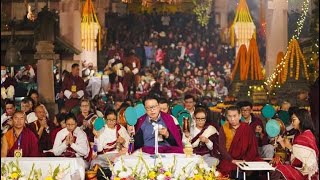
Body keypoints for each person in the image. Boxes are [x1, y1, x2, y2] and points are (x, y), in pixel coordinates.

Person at [272, 108, 319, 179]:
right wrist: (282, 142)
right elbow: (295, 156)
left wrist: (290, 147)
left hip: (306, 173)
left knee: (280, 170)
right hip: (299, 168)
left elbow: (302, 160)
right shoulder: (299, 134)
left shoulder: (307, 136)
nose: (292, 123)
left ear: (302, 120)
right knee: (276, 165)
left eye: (294, 120)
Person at [218, 106, 260, 177]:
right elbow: (222, 148)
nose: (232, 119)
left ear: (240, 116)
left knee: (257, 166)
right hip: (230, 159)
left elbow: (252, 147)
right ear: (227, 117)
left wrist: (245, 160)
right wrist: (232, 160)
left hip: (246, 159)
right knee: (227, 168)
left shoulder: (246, 128)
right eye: (230, 116)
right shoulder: (224, 128)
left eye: (234, 116)